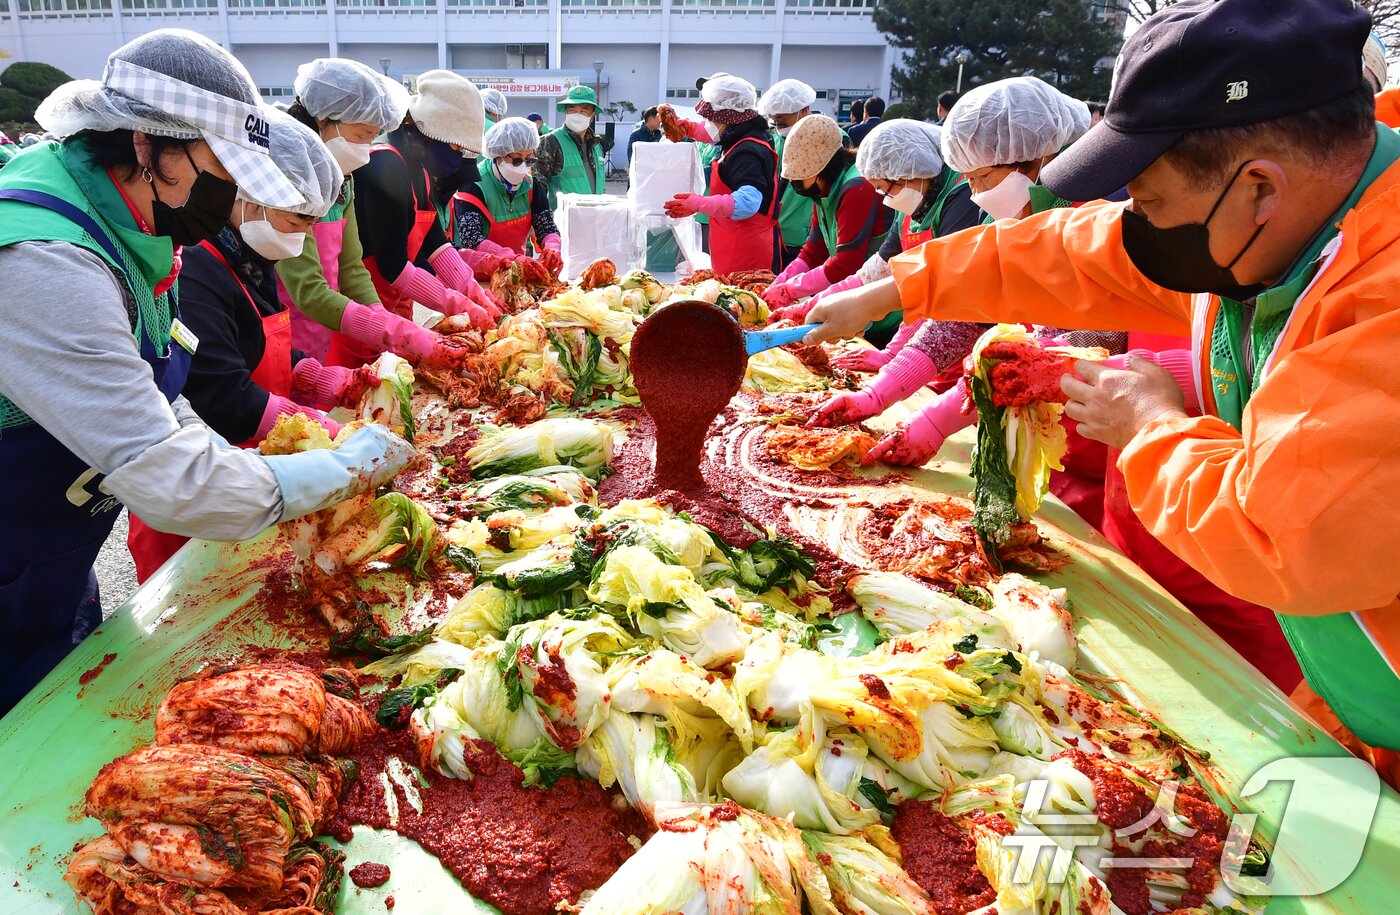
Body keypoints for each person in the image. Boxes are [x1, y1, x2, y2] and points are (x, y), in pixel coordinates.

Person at [804, 0, 1400, 781]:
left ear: (1260, 187)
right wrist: (897, 287)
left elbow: (1288, 530)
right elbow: (1077, 252)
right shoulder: (1282, 227)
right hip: (1351, 690)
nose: (1135, 227)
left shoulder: (1380, 294)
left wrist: (1153, 426)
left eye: (1149, 205)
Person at [0, 29, 414, 713]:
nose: (228, 193)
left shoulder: (140, 228)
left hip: (48, 565)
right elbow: (165, 476)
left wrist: (249, 451)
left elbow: (162, 392)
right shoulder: (48, 261)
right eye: (220, 167)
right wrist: (335, 470)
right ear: (145, 141)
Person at [127, 109, 363, 581]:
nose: (304, 233)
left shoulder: (251, 255)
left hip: (255, 475)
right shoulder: (197, 266)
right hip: (198, 498)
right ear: (250, 195)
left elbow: (255, 347)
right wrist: (329, 434)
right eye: (297, 217)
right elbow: (221, 396)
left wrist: (318, 376)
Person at [274, 57, 433, 367]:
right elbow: (307, 290)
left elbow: (351, 268)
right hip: (286, 333)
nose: (365, 149)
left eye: (372, 138)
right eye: (361, 136)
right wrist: (387, 329)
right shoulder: (288, 179)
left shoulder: (343, 181)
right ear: (322, 118)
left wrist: (381, 318)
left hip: (322, 332)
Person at [350, 69, 500, 368]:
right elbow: (392, 265)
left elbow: (434, 242)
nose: (457, 159)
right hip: (365, 313)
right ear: (429, 133)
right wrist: (453, 302)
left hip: (397, 305)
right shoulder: (385, 165)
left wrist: (470, 290)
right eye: (455, 148)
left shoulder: (418, 172)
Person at [771, 119, 982, 327]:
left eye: (883, 188)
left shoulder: (959, 200)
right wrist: (811, 299)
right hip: (902, 317)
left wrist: (894, 351)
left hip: (921, 321)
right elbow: (874, 270)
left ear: (908, 173)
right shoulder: (910, 201)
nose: (884, 197)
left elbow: (940, 288)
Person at [760, 114, 892, 339]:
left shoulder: (857, 187)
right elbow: (814, 250)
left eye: (799, 177)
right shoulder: (822, 191)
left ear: (820, 168)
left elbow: (845, 264)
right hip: (852, 300)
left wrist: (792, 290)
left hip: (880, 308)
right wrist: (782, 281)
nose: (795, 184)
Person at [663, 75, 780, 274]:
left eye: (710, 119)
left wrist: (699, 204)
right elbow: (713, 134)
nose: (706, 123)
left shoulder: (747, 152)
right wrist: (688, 128)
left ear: (729, 118)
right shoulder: (745, 134)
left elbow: (748, 202)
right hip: (733, 245)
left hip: (747, 254)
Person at [452, 117, 563, 274]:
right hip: (476, 275)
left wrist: (552, 246)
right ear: (498, 154)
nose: (523, 166)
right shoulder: (474, 186)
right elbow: (471, 238)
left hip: (517, 273)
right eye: (517, 159)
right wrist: (509, 257)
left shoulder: (531, 185)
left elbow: (546, 226)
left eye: (529, 160)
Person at [758, 78, 831, 269]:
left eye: (783, 118)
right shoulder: (777, 139)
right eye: (775, 120)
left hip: (809, 233)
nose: (778, 123)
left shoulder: (828, 138)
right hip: (777, 231)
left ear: (804, 109)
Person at [536, 85, 607, 206]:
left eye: (583, 111)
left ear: (592, 115)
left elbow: (600, 185)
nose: (577, 115)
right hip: (562, 220)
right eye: (572, 110)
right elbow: (537, 188)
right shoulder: (550, 142)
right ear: (566, 112)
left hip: (594, 218)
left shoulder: (597, 146)